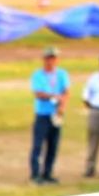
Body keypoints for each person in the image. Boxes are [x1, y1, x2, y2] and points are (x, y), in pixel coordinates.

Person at [29, 46, 69, 185]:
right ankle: (35, 174)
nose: (51, 61)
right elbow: (38, 93)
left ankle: (48, 173)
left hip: (56, 114)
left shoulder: (62, 74)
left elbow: (66, 91)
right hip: (43, 114)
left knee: (53, 145)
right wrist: (54, 96)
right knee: (38, 145)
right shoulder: (38, 75)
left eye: (53, 58)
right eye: (49, 58)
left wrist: (62, 106)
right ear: (44, 59)